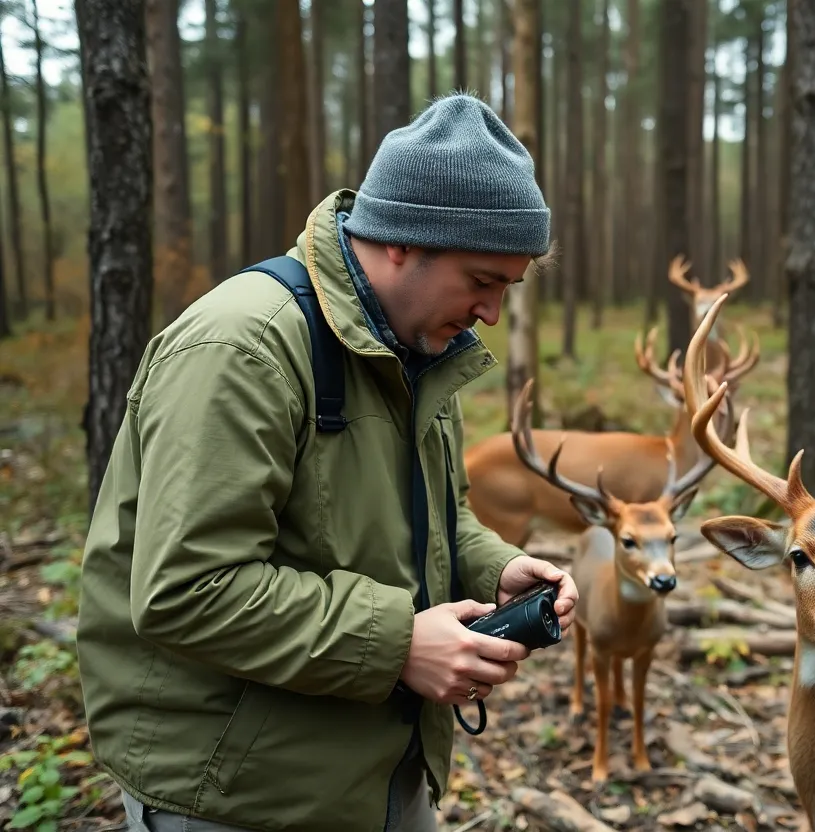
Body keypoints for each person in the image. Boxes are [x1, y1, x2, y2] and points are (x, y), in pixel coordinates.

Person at [75, 93, 578, 832]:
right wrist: (402, 642)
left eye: (509, 285)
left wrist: (493, 567)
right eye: (482, 281)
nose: (493, 313)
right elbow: (187, 587)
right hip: (236, 792)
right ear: (402, 240)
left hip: (375, 767)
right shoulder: (242, 350)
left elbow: (430, 514)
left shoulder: (422, 349)